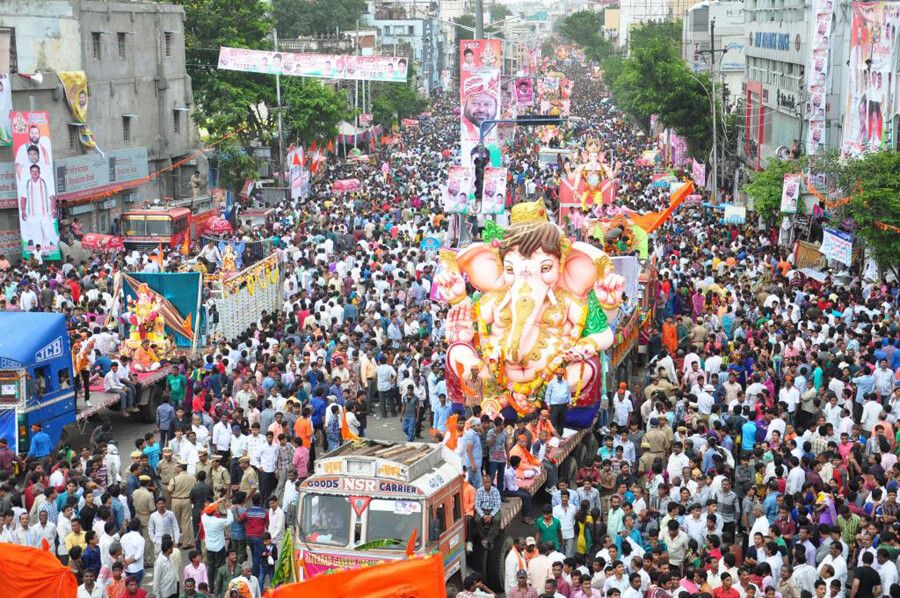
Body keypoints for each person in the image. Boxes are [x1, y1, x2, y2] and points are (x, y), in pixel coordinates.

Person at [473, 473, 502, 551]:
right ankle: (484, 538)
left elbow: (498, 505)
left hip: (493, 510)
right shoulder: (479, 491)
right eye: (485, 482)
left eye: (489, 482)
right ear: (483, 483)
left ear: (491, 482)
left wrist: (491, 516)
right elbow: (477, 505)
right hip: (483, 510)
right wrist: (483, 516)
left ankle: (487, 540)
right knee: (477, 520)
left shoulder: (495, 491)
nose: (487, 484)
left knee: (497, 520)